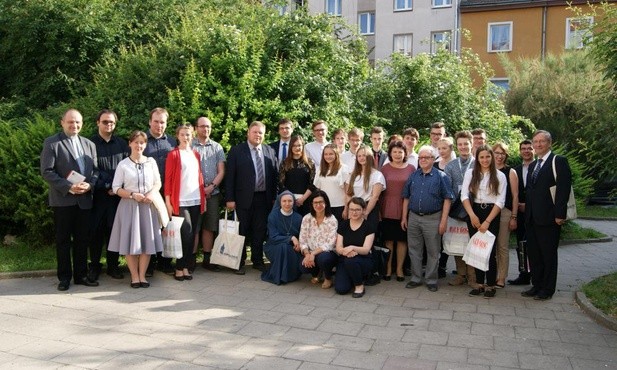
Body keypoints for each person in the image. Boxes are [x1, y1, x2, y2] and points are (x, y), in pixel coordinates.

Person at [40, 109, 100, 291]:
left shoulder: (89, 144)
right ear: (62, 122)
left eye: (78, 122)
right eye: (70, 122)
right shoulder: (52, 143)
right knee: (63, 240)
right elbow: (47, 172)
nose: (74, 125)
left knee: (82, 240)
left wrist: (90, 185)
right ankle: (64, 277)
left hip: (84, 200)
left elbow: (96, 171)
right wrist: (68, 186)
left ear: (82, 123)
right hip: (63, 200)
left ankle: (81, 276)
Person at [108, 130, 163, 289]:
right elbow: (116, 188)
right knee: (129, 241)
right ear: (130, 143)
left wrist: (151, 194)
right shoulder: (123, 164)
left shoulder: (151, 162)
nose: (139, 145)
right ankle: (134, 276)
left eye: (142, 142)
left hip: (147, 206)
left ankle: (142, 276)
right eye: (136, 142)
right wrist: (133, 195)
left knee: (147, 242)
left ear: (145, 145)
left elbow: (157, 183)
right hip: (129, 207)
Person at [522, 130, 572, 301]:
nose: (538, 145)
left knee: (548, 254)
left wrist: (560, 214)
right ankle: (536, 285)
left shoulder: (558, 161)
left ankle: (547, 289)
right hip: (532, 218)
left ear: (549, 143)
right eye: (535, 142)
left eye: (541, 141)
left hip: (550, 218)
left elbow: (563, 189)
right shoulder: (534, 165)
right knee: (534, 254)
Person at [226, 121, 278, 274]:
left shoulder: (269, 151)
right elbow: (230, 177)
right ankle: (238, 262)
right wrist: (230, 198)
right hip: (242, 198)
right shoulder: (237, 151)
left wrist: (274, 197)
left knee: (259, 230)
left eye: (260, 132)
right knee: (242, 230)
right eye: (255, 132)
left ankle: (257, 260)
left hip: (264, 198)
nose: (258, 135)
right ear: (248, 133)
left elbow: (274, 176)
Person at [401, 146, 453, 292]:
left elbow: (448, 199)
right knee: (414, 249)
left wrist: (443, 221)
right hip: (414, 217)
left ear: (433, 159)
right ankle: (416, 278)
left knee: (433, 251)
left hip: (433, 218)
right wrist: (404, 217)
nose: (423, 160)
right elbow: (406, 197)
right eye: (421, 157)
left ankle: (431, 279)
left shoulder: (441, 176)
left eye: (426, 157)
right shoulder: (414, 175)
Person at [461, 144, 507, 298]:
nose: (485, 160)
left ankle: (491, 285)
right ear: (477, 158)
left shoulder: (500, 176)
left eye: (488, 156)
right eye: (482, 157)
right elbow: (464, 196)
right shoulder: (470, 173)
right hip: (474, 211)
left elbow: (500, 201)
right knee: (477, 250)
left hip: (491, 213)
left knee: (490, 250)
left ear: (492, 157)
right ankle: (479, 284)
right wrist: (472, 216)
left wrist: (487, 221)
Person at [89, 109, 128, 282]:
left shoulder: (122, 144)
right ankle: (95, 266)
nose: (108, 125)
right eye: (105, 122)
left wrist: (117, 187)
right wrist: (107, 185)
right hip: (97, 197)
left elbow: (127, 167)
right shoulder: (89, 144)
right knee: (95, 232)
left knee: (114, 232)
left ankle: (113, 266)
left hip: (117, 198)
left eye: (112, 122)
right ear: (98, 122)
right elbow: (90, 169)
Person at [164, 125, 206, 281]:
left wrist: (203, 200)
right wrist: (168, 202)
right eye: (182, 134)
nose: (185, 137)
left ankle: (186, 267)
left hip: (196, 199)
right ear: (177, 136)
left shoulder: (195, 154)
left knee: (193, 234)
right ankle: (179, 268)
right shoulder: (173, 154)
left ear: (192, 136)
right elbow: (168, 180)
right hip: (180, 201)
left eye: (188, 134)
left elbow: (199, 177)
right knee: (186, 234)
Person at [144, 108, 177, 276]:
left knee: (166, 226)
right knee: (149, 227)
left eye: (162, 122)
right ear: (150, 122)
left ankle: (165, 262)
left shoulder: (172, 142)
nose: (159, 125)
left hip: (168, 192)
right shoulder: (142, 141)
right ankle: (148, 264)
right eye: (156, 121)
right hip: (148, 193)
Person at [193, 117, 225, 272]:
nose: (206, 129)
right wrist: (200, 189)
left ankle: (207, 258)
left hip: (212, 193)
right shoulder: (189, 145)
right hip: (193, 194)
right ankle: (190, 259)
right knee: (194, 227)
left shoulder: (217, 147)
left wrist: (211, 186)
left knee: (209, 226)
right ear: (196, 128)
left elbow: (222, 171)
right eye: (202, 126)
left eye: (208, 127)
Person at [444, 131, 476, 287]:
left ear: (472, 144)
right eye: (460, 144)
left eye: (466, 144)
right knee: (457, 242)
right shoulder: (450, 165)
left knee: (471, 243)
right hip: (456, 209)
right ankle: (460, 274)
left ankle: (472, 276)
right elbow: (448, 188)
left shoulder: (478, 163)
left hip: (474, 209)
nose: (463, 147)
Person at [380, 141, 415, 282]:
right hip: (387, 206)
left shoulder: (412, 168)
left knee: (402, 240)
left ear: (405, 153)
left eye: (400, 152)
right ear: (390, 153)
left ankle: (399, 269)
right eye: (394, 151)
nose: (397, 154)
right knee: (388, 240)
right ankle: (388, 268)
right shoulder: (384, 169)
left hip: (404, 207)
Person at [335, 197, 376, 297]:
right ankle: (352, 277)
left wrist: (352, 248)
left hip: (363, 260)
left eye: (357, 209)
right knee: (341, 289)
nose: (354, 212)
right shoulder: (343, 225)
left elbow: (366, 250)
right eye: (351, 209)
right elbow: (338, 247)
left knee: (351, 261)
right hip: (345, 258)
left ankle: (359, 286)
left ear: (363, 210)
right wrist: (346, 251)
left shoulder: (369, 226)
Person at [261, 191, 303, 285]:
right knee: (282, 247)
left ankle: (281, 276)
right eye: (284, 201)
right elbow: (273, 237)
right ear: (280, 202)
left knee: (284, 247)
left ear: (294, 202)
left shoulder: (299, 218)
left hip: (293, 248)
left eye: (290, 201)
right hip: (273, 246)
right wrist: (291, 238)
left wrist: (299, 244)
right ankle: (283, 276)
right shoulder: (273, 216)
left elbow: (303, 237)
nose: (287, 204)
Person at [298, 190, 338, 289]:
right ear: (311, 204)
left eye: (321, 202)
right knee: (303, 267)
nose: (318, 205)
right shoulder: (307, 218)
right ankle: (316, 274)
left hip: (327, 253)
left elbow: (330, 244)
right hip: (311, 252)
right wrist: (307, 254)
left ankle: (328, 278)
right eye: (315, 202)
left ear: (326, 203)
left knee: (324, 259)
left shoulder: (332, 220)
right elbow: (302, 240)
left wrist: (312, 254)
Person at [492, 142, 519, 288]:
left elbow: (515, 196)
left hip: (504, 212)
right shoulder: (487, 170)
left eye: (502, 153)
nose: (499, 156)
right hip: (489, 212)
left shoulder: (510, 172)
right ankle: (491, 275)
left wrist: (514, 217)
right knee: (490, 246)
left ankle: (501, 277)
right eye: (496, 153)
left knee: (502, 246)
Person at [509, 139, 534, 285]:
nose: (526, 151)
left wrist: (528, 205)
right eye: (523, 148)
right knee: (521, 244)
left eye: (529, 148)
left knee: (534, 245)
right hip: (520, 213)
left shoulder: (539, 167)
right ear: (520, 151)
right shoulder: (516, 170)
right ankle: (524, 274)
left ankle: (536, 274)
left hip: (536, 213)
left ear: (533, 151)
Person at [344, 145, 386, 230]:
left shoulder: (377, 175)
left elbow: (375, 197)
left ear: (370, 157)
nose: (361, 158)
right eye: (359, 156)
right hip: (353, 209)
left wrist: (365, 213)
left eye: (364, 155)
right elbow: (348, 194)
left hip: (369, 209)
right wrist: (348, 210)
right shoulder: (352, 175)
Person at [278, 135, 316, 215]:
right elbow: (281, 183)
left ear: (303, 146)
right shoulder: (285, 163)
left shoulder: (310, 163)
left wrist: (302, 199)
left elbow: (313, 183)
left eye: (299, 145)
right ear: (291, 147)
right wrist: (291, 199)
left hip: (306, 200)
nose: (297, 148)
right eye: (294, 146)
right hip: (289, 201)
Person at [434, 136, 455, 278]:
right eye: (439, 148)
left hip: (451, 205)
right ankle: (437, 265)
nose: (441, 151)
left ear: (451, 149)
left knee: (449, 236)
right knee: (437, 237)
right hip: (436, 206)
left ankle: (444, 264)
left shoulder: (455, 165)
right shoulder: (435, 164)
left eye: (444, 148)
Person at [313, 144, 349, 221]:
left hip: (340, 207)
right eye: (326, 154)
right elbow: (318, 191)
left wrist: (346, 209)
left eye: (331, 154)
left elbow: (348, 192)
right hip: (324, 207)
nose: (328, 156)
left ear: (336, 155)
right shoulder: (320, 169)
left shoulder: (344, 169)